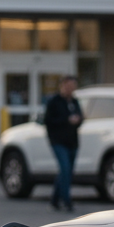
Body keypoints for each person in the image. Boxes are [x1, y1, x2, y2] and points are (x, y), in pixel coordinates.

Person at [44, 75, 83, 211]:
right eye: (69, 86)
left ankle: (55, 200)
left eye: (74, 86)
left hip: (72, 142)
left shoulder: (74, 101)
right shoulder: (54, 102)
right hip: (58, 141)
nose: (71, 89)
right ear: (63, 85)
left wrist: (78, 120)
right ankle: (67, 201)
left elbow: (80, 117)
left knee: (66, 172)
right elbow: (48, 121)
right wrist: (67, 120)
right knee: (65, 168)